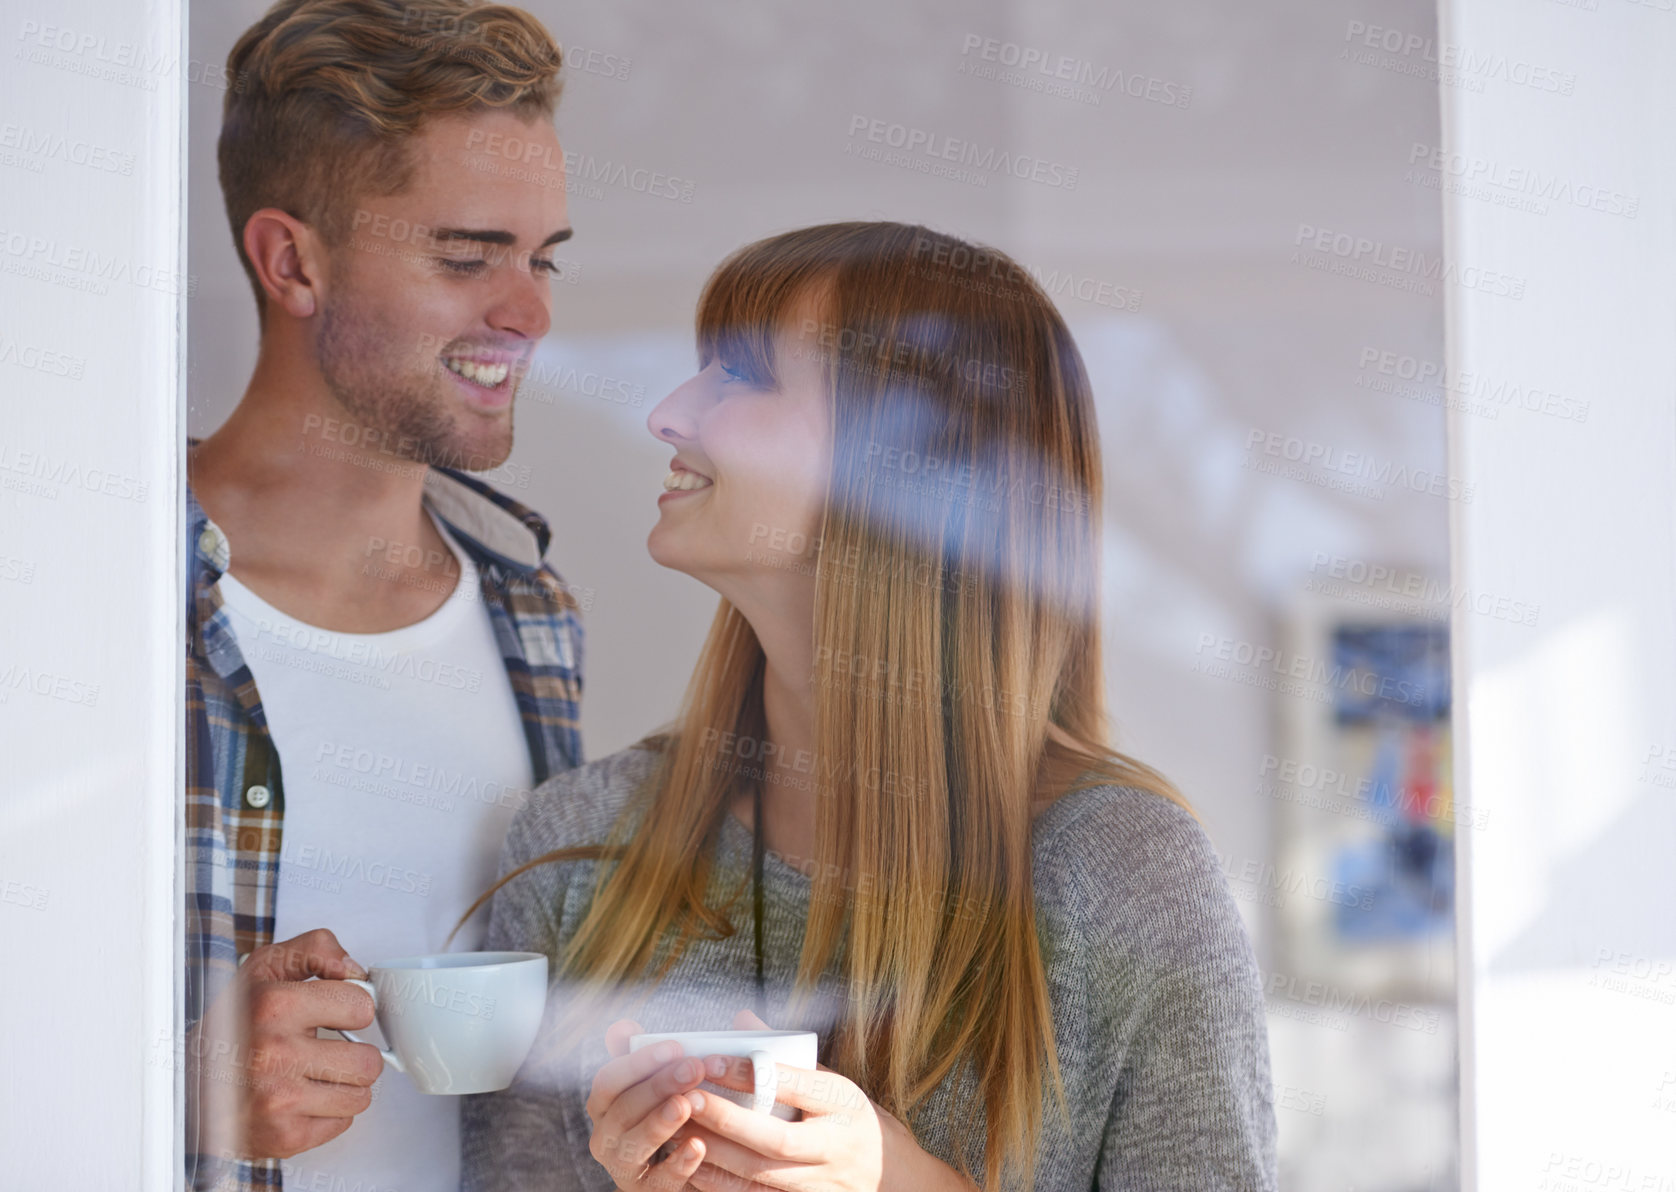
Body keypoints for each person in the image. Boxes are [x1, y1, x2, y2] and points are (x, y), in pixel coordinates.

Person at [459, 221, 1278, 1190]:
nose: (670, 414)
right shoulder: (582, 843)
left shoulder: (1123, 874)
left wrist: (901, 1180)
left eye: (741, 376)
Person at [182, 3, 583, 1191]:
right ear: (291, 261)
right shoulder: (77, 602)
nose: (529, 313)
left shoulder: (536, 612)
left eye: (542, 255)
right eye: (466, 258)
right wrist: (172, 1086)